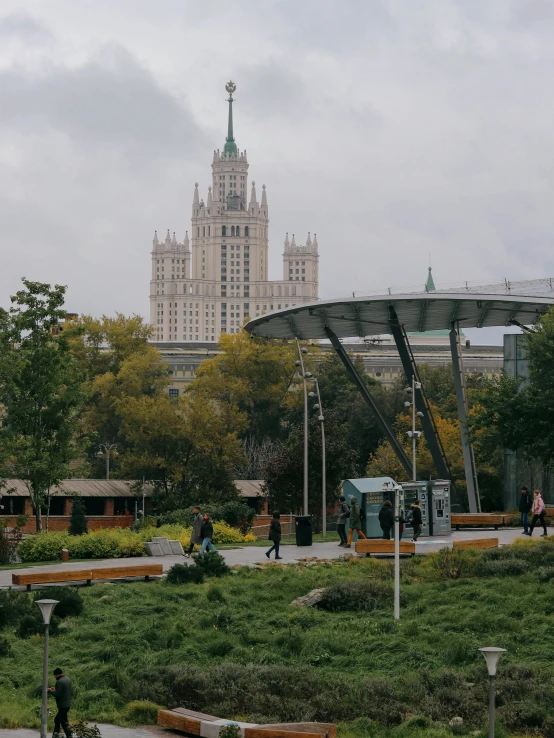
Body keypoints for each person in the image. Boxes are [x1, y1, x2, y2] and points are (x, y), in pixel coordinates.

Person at [48, 667, 73, 738]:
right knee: (58, 720)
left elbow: (57, 694)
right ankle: (56, 734)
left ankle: (69, 735)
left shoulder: (59, 682)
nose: (54, 677)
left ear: (57, 674)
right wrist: (55, 689)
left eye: (55, 675)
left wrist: (50, 691)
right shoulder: (68, 680)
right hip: (67, 704)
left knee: (63, 722)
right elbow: (63, 690)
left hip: (62, 705)